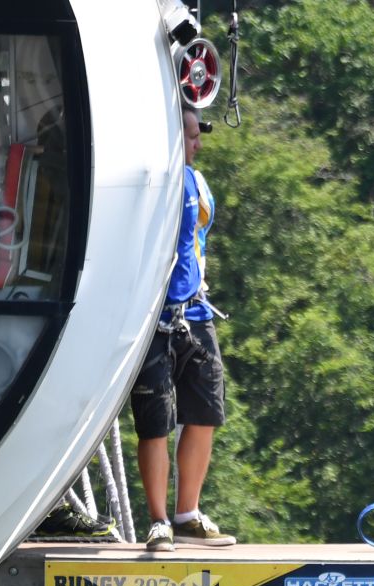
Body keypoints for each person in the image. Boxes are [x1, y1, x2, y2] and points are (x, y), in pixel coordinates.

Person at [129, 105, 234, 553]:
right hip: (154, 318)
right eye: (190, 136)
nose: (198, 144)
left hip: (194, 313)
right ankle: (158, 521)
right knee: (155, 425)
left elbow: (199, 242)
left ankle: (187, 513)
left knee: (205, 412)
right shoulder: (147, 186)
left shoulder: (198, 184)